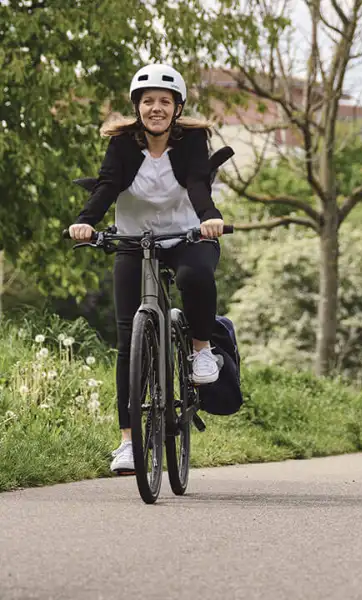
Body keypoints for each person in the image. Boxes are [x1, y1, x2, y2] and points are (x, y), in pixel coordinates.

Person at [68, 64, 226, 474]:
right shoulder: (122, 144)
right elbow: (106, 185)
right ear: (137, 107)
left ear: (177, 108)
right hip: (134, 239)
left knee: (195, 276)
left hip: (188, 236)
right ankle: (128, 443)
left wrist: (210, 216)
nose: (156, 108)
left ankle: (200, 351)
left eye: (164, 102)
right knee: (127, 339)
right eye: (148, 101)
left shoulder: (192, 140)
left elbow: (196, 182)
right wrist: (86, 221)